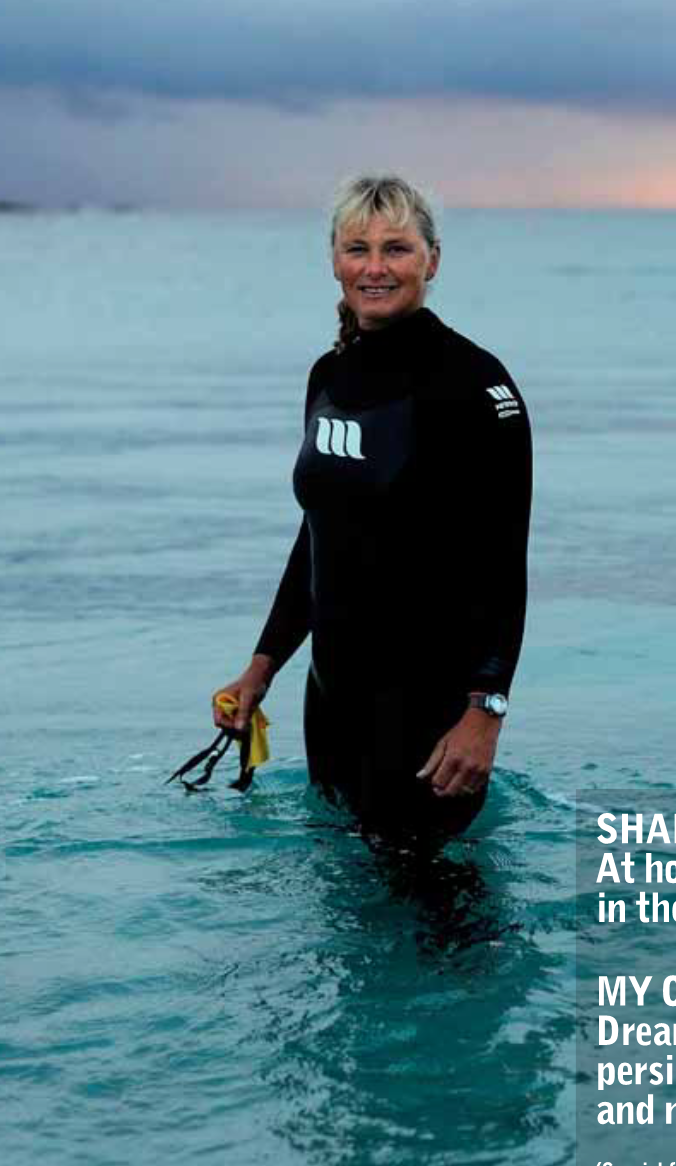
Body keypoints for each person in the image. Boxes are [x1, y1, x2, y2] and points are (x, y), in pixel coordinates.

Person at [213, 174, 531, 840]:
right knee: (343, 909)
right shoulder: (329, 377)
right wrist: (262, 666)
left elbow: (504, 563)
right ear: (334, 260)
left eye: (398, 248)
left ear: (432, 260)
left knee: (448, 925)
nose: (376, 267)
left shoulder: (474, 386)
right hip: (331, 702)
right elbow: (320, 536)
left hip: (431, 713)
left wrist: (485, 713)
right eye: (358, 248)